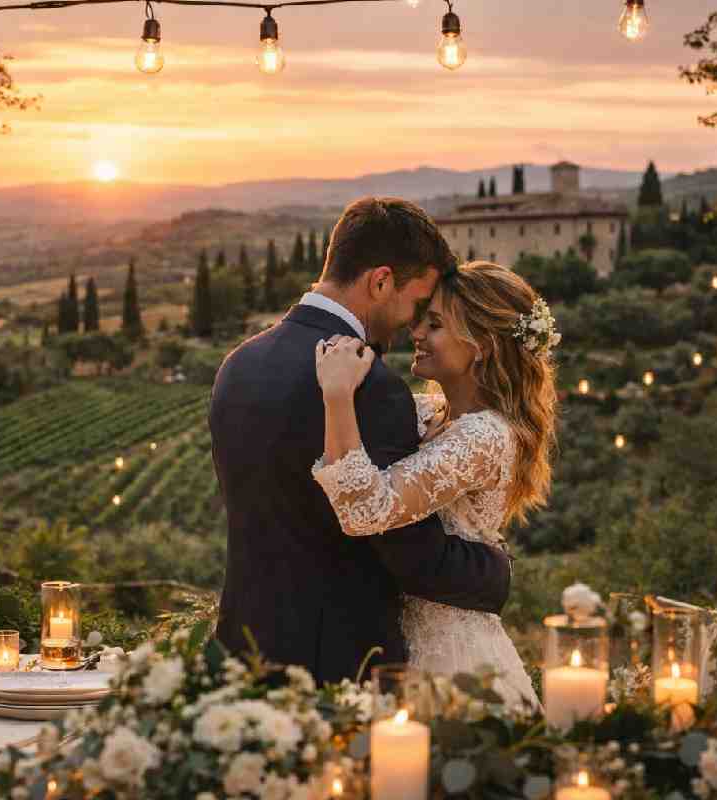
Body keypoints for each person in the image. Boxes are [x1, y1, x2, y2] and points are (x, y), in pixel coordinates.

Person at [210, 198, 511, 686]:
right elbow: (411, 556)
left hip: (241, 651)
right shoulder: (371, 388)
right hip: (340, 663)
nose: (413, 325)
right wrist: (497, 571)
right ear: (380, 282)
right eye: (418, 305)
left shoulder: (239, 365)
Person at [312, 262, 559, 710]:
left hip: (452, 657)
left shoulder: (485, 436)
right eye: (421, 319)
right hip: (397, 638)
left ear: (481, 345)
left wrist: (337, 395)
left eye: (436, 324)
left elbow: (365, 509)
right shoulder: (428, 412)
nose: (417, 333)